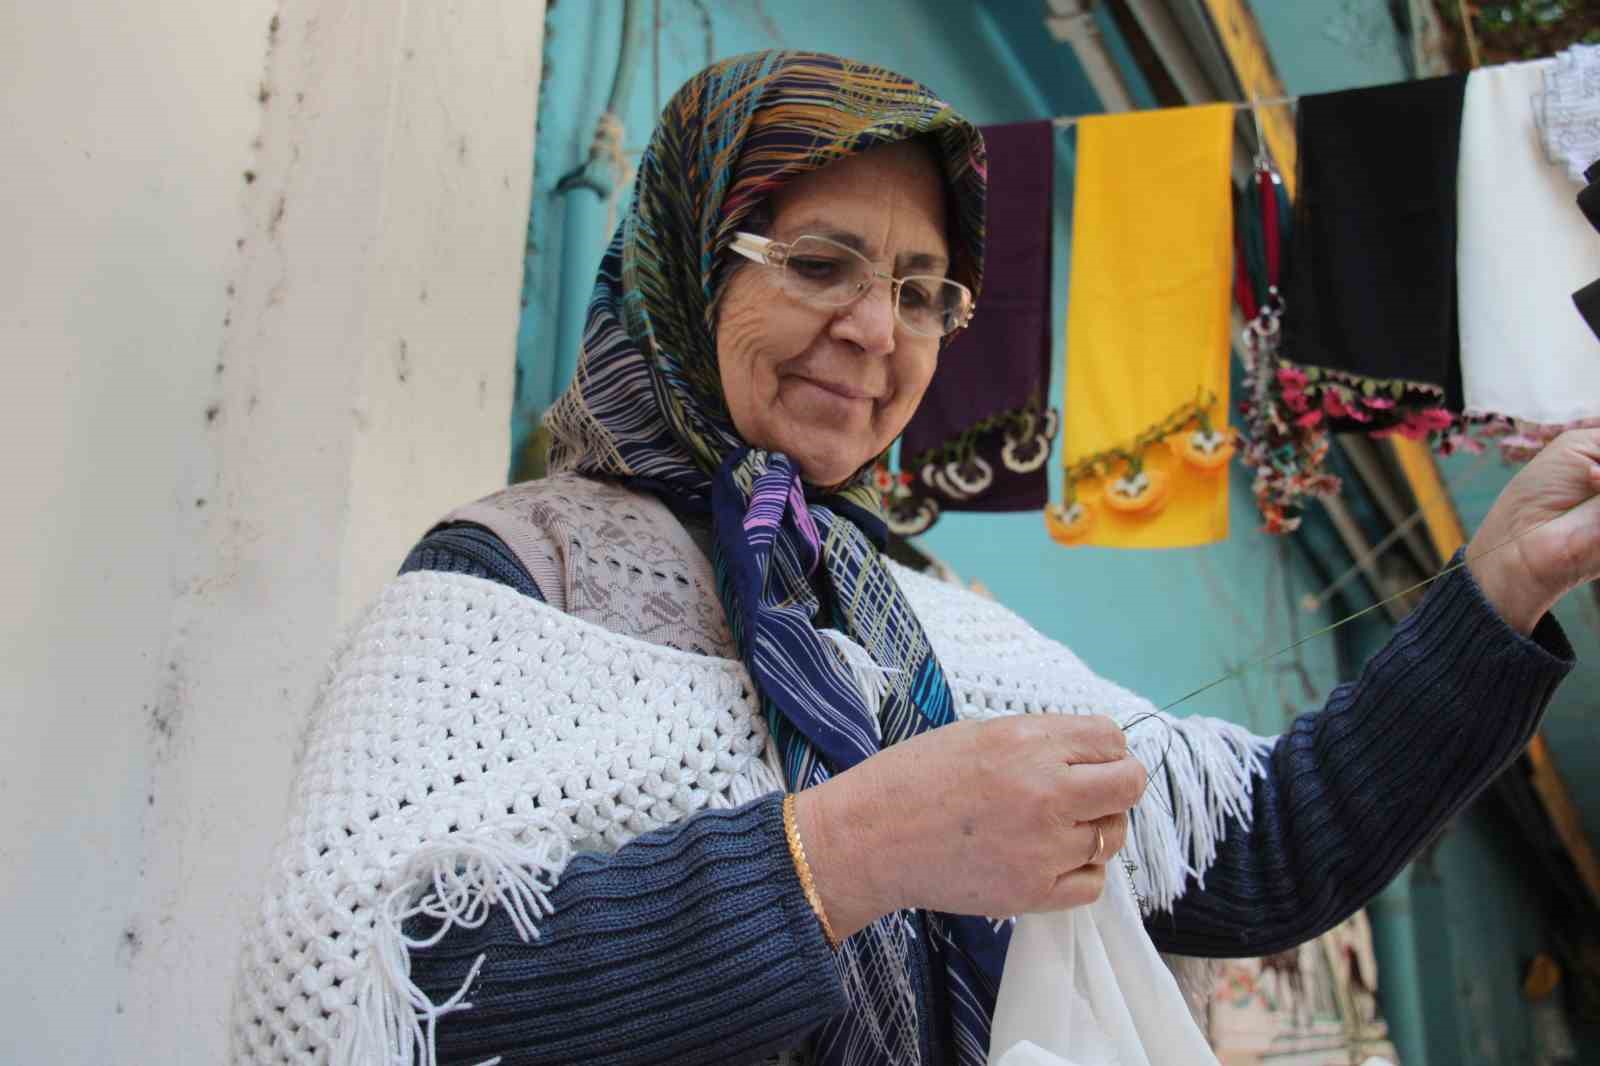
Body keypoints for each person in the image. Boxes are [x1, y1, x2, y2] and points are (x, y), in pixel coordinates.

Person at [231, 51, 1597, 1066]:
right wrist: (854, 850)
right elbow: (349, 997)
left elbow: (1266, 850)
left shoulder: (919, 625)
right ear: (687, 266)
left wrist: (1502, 580)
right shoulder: (517, 573)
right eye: (820, 264)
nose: (878, 333)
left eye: (923, 291)